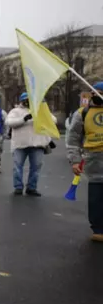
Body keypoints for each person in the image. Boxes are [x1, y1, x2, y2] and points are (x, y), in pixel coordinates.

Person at [67, 82, 103, 242]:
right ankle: (98, 228)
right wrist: (74, 160)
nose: (96, 95)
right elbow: (73, 138)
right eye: (95, 92)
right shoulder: (82, 113)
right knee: (96, 194)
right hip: (94, 157)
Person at [6, 93, 55, 196]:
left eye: (30, 100)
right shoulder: (15, 111)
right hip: (20, 144)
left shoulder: (41, 111)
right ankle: (18, 187)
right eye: (26, 100)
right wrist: (24, 119)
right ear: (22, 101)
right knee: (17, 167)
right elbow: (9, 122)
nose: (28, 102)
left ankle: (31, 188)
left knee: (36, 167)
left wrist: (43, 110)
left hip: (37, 144)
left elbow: (53, 121)